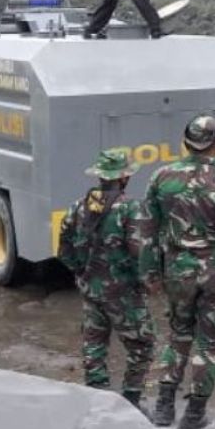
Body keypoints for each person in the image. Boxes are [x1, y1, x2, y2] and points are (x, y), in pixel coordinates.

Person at [142, 114, 215, 429]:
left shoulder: (161, 178)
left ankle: (164, 406)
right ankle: (194, 414)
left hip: (177, 271)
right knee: (209, 342)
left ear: (184, 143)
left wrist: (150, 273)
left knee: (178, 335)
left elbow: (146, 232)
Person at [58, 149, 155, 414]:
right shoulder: (131, 209)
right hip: (123, 293)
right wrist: (147, 282)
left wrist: (81, 273)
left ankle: (96, 399)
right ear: (124, 178)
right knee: (142, 344)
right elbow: (141, 252)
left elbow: (63, 248)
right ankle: (132, 400)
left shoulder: (79, 206)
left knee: (94, 343)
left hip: (91, 290)